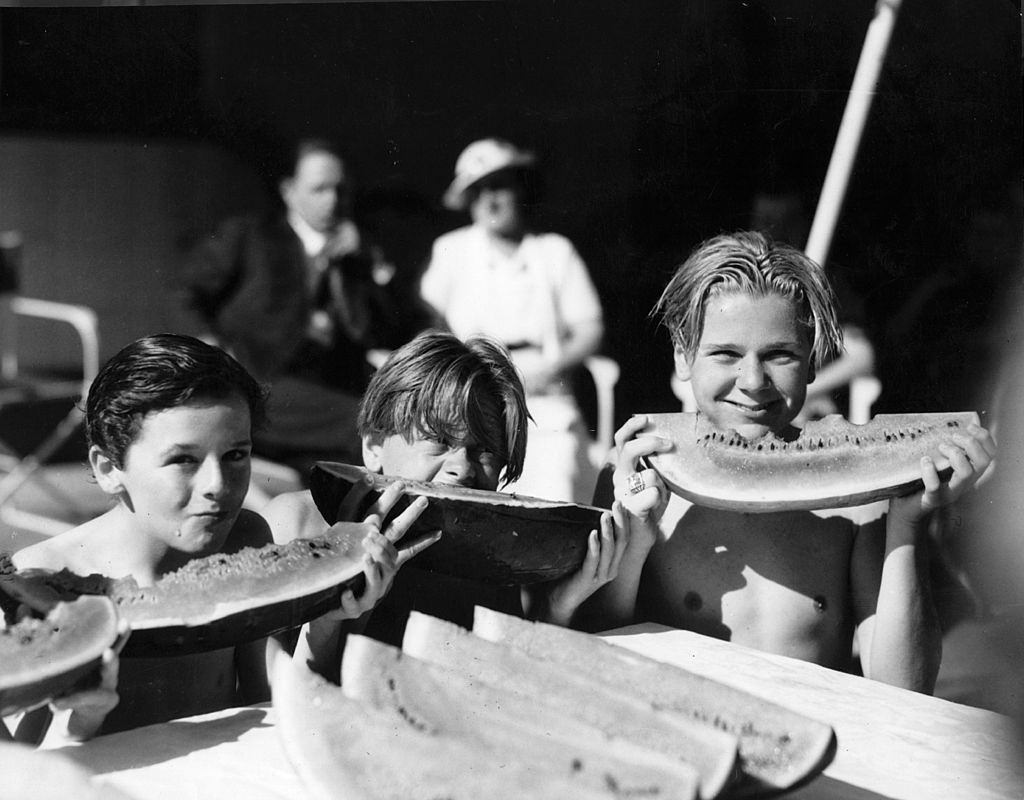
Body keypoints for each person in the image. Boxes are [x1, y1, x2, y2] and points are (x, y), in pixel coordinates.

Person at [592, 231, 995, 694]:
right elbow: (596, 646)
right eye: (725, 354)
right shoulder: (635, 475)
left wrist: (908, 525)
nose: (753, 381)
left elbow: (903, 686)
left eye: (780, 355)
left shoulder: (858, 500)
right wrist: (634, 540)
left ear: (812, 364)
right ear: (683, 357)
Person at [12, 334, 423, 734]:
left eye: (235, 455)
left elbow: (272, 706)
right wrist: (85, 717)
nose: (217, 483)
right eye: (183, 460)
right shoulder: (38, 576)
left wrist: (327, 618)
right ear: (108, 469)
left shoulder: (245, 536)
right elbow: (21, 766)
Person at [263, 331, 628, 674]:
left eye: (484, 450)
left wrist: (556, 606)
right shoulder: (293, 524)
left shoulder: (492, 552)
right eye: (437, 441)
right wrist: (329, 614)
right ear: (373, 446)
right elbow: (275, 704)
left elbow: (508, 685)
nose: (462, 468)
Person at [174, 138, 410, 478]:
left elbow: (383, 329)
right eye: (320, 189)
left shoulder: (357, 250)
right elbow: (184, 292)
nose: (333, 201)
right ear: (288, 190)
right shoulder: (250, 236)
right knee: (368, 426)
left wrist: (368, 266)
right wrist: (209, 348)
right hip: (261, 379)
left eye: (341, 190)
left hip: (330, 387)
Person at [419, 138, 604, 504]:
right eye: (478, 191)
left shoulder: (554, 251)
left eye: (499, 186)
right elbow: (427, 321)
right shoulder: (451, 251)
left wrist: (551, 365)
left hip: (543, 393)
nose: (490, 200)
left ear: (520, 189)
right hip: (471, 395)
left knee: (556, 478)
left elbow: (589, 329)